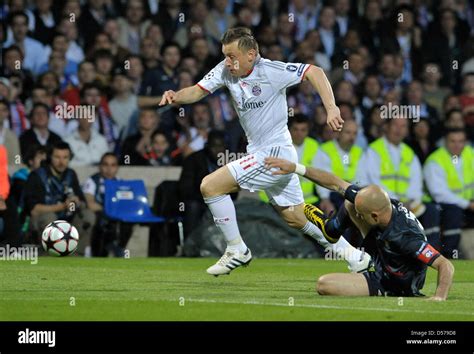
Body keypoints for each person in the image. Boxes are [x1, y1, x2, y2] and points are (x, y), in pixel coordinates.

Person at [160, 27, 370, 276]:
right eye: (225, 55)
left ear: (251, 54)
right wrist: (176, 96)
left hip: (274, 154)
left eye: (232, 56)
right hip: (263, 153)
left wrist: (332, 108)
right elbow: (197, 90)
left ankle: (237, 249)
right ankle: (355, 257)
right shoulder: (225, 70)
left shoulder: (271, 71)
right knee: (294, 216)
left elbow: (315, 71)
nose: (228, 62)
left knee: (210, 186)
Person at [264, 157, 455, 300]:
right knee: (349, 202)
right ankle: (332, 230)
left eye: (362, 215)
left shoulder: (405, 237)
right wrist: (296, 168)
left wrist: (439, 296)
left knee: (324, 284)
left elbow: (445, 265)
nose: (359, 218)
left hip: (393, 283)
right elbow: (335, 183)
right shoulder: (381, 203)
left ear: (374, 216)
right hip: (384, 255)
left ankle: (364, 264)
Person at [23, 141, 96, 256]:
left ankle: (76, 255)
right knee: (49, 218)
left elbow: (83, 203)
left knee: (88, 216)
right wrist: (62, 206)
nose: (61, 162)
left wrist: (76, 202)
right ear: (49, 157)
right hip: (42, 222)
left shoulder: (71, 175)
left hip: (68, 220)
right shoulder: (37, 176)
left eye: (65, 157)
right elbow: (34, 210)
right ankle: (50, 255)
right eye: (57, 157)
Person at [423, 128, 474, 258]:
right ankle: (450, 255)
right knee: (453, 212)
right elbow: (439, 194)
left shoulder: (470, 154)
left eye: (461, 141)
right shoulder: (435, 160)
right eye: (453, 141)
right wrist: (467, 204)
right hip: (440, 206)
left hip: (467, 205)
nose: (457, 145)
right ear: (445, 142)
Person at [82, 152, 133, 256]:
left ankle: (119, 248)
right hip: (99, 215)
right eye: (105, 165)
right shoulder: (92, 181)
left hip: (115, 216)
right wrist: (108, 211)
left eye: (113, 165)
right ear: (100, 166)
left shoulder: (120, 182)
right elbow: (90, 203)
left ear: (117, 167)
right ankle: (96, 252)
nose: (109, 169)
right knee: (102, 220)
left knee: (128, 221)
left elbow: (125, 203)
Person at [315, 119, 363, 214]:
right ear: (338, 133)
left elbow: (362, 178)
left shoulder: (359, 152)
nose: (351, 137)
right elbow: (321, 177)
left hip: (353, 193)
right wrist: (325, 199)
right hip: (332, 193)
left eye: (354, 133)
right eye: (348, 132)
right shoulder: (325, 150)